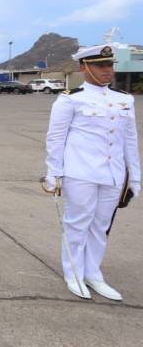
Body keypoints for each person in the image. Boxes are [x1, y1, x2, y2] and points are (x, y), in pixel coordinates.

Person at [44, 43, 140, 301]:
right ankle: (73, 272)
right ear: (84, 67)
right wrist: (54, 174)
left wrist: (136, 177)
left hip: (113, 174)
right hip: (80, 173)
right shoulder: (70, 99)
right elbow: (56, 139)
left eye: (110, 65)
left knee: (101, 226)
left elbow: (130, 141)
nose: (108, 70)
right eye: (101, 65)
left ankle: (93, 273)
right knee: (77, 224)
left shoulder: (124, 99)